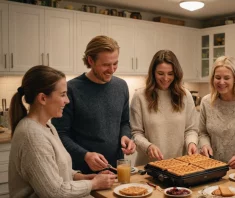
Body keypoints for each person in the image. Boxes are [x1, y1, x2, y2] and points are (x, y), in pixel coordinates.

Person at [8, 65, 116, 198]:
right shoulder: (32, 136)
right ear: (42, 98)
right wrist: (93, 184)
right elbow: (54, 192)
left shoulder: (47, 126)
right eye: (63, 94)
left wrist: (84, 178)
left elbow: (58, 171)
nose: (67, 100)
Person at [52, 35, 136, 174]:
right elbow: (60, 133)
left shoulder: (121, 86)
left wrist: (126, 136)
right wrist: (85, 155)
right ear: (90, 60)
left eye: (115, 63)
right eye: (105, 65)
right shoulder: (70, 89)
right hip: (82, 172)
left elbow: (124, 122)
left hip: (115, 169)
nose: (112, 69)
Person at [130, 49, 199, 166]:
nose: (166, 78)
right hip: (148, 166)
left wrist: (191, 143)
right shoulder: (140, 97)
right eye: (160, 73)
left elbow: (191, 129)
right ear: (153, 73)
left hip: (179, 165)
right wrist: (148, 147)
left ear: (176, 74)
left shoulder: (185, 95)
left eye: (170, 74)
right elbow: (136, 133)